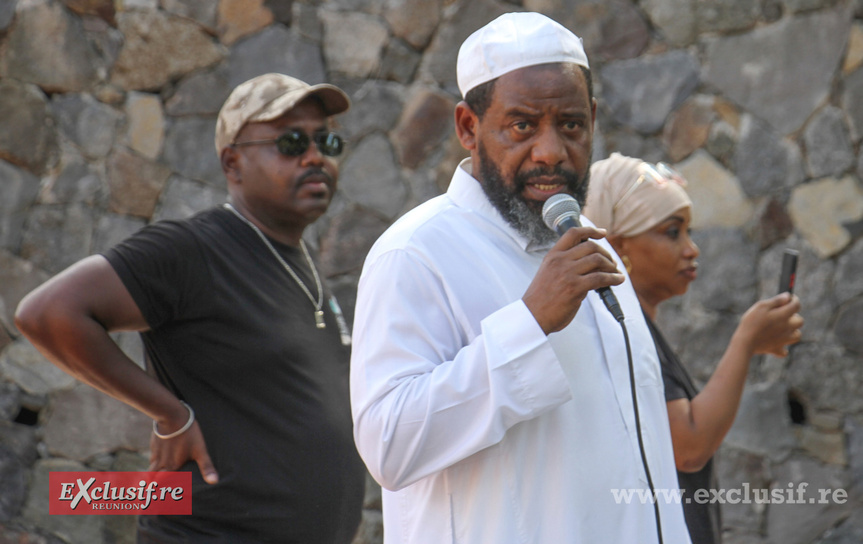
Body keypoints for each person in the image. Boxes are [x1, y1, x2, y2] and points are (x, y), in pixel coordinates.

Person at [349, 12, 692, 543]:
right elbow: (389, 445)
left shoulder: (596, 252)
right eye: (522, 125)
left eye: (571, 125)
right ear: (468, 128)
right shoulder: (415, 252)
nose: (551, 150)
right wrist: (530, 324)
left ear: (593, 121)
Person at [15, 73, 366, 543]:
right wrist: (170, 414)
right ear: (233, 163)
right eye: (290, 141)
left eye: (326, 140)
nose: (314, 156)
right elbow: (47, 312)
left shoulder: (298, 263)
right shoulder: (195, 250)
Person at [583, 153, 804, 544]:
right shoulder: (620, 332)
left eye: (688, 231)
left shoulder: (638, 329)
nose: (692, 249)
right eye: (672, 232)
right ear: (618, 248)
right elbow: (688, 445)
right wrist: (746, 341)